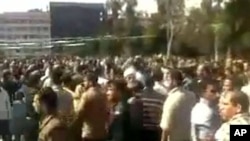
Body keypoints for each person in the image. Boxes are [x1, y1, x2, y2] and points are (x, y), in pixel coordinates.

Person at [160, 69, 196, 141]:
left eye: (168, 79)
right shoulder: (192, 95)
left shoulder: (171, 100)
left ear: (174, 81)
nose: (165, 81)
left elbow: (166, 128)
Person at [76, 72, 108, 141]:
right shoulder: (103, 94)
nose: (84, 83)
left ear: (90, 82)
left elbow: (79, 112)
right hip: (101, 132)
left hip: (89, 132)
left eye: (85, 81)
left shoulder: (86, 95)